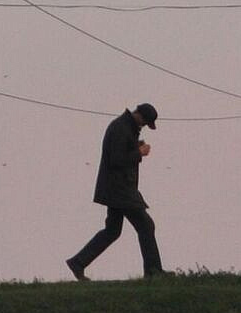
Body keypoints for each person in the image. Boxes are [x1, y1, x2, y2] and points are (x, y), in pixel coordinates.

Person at [64, 103, 165, 279]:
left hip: (116, 189)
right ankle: (153, 271)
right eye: (144, 123)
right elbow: (116, 160)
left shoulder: (124, 126)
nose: (143, 126)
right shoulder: (121, 128)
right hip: (120, 190)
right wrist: (139, 152)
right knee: (146, 225)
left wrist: (135, 147)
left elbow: (120, 153)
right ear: (139, 115)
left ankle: (78, 262)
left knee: (112, 231)